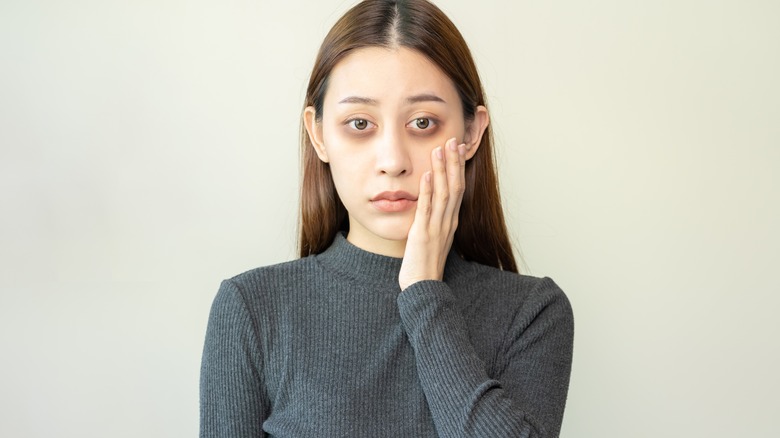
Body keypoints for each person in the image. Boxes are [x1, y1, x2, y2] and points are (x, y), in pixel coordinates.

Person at [200, 0, 574, 436]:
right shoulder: (251, 309)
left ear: (471, 132)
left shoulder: (531, 313)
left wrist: (423, 292)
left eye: (423, 122)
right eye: (360, 124)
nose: (393, 161)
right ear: (319, 134)